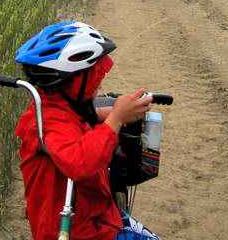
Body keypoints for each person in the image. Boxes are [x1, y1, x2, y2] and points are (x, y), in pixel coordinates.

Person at [14, 20, 161, 240]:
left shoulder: (59, 106)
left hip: (96, 217)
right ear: (75, 80)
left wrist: (115, 111)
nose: (99, 85)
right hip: (79, 231)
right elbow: (79, 162)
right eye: (95, 78)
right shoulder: (46, 123)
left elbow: (81, 117)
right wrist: (117, 117)